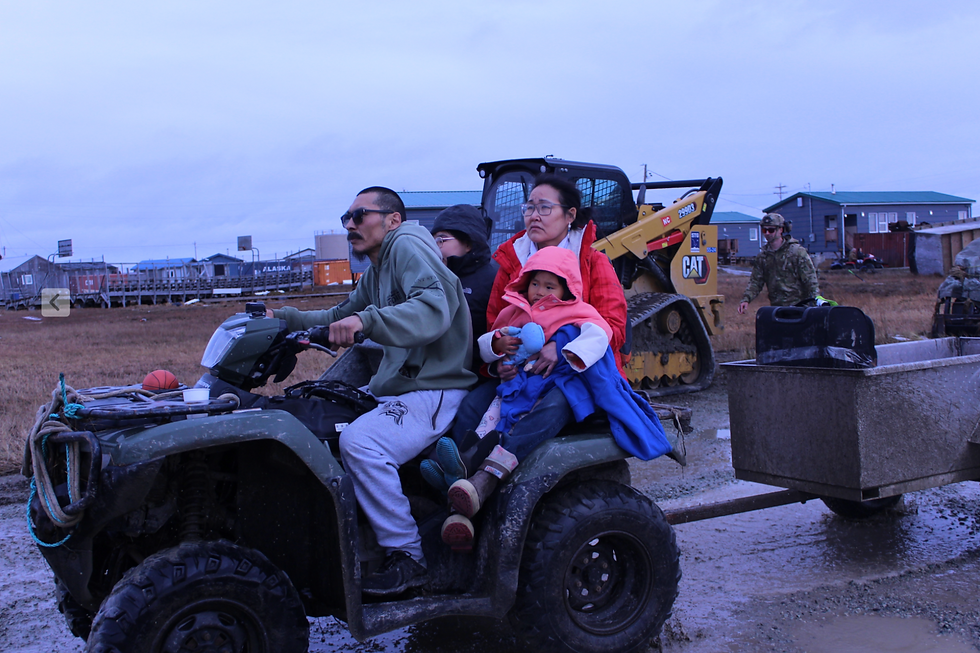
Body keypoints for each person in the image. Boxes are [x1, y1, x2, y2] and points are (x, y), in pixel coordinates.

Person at [272, 186, 476, 596]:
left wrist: (368, 321)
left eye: (359, 215)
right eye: (344, 218)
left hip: (433, 386)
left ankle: (409, 557)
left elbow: (433, 309)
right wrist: (282, 318)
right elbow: (337, 315)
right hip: (398, 385)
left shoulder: (408, 245)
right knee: (314, 414)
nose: (349, 225)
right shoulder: (380, 266)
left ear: (392, 219)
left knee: (360, 442)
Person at [440, 247, 671, 546]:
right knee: (480, 412)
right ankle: (460, 486)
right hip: (516, 384)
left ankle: (486, 478)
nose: (539, 292)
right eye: (535, 283)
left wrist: (562, 348)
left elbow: (599, 334)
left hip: (557, 381)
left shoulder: (577, 312)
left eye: (550, 286)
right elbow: (490, 340)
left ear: (566, 289)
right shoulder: (515, 309)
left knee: (546, 413)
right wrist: (499, 350)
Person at [430, 204, 497, 370]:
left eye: (441, 240)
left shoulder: (493, 280)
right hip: (435, 368)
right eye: (433, 241)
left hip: (475, 372)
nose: (435, 247)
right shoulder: (430, 277)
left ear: (468, 243)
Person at [737, 213, 819, 314]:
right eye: (764, 230)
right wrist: (746, 299)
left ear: (781, 229)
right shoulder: (763, 256)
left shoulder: (797, 252)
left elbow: (810, 279)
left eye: (771, 230)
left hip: (800, 307)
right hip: (777, 308)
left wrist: (816, 303)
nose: (767, 233)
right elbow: (756, 281)